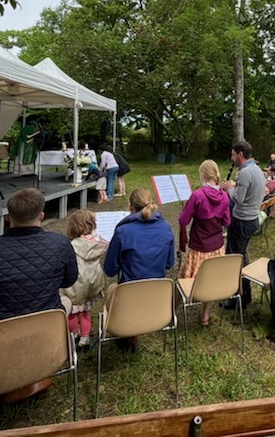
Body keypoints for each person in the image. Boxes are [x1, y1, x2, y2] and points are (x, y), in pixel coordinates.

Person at [0, 188, 78, 330]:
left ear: (7, 217)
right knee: (66, 301)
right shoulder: (60, 244)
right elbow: (69, 280)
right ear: (41, 216)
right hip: (45, 326)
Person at [104, 189, 175, 349]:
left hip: (130, 294)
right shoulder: (166, 228)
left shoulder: (123, 231)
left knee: (113, 288)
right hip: (157, 295)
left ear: (130, 207)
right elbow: (169, 263)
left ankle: (127, 331)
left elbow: (110, 269)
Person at [178, 161, 230, 327]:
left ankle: (171, 310)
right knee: (210, 279)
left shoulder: (197, 195)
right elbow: (227, 221)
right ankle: (205, 316)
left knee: (185, 277)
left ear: (202, 175)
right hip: (217, 245)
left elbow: (183, 220)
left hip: (199, 246)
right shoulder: (224, 196)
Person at [220, 140, 266, 309]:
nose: (232, 158)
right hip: (251, 218)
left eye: (233, 154)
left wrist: (228, 188)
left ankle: (241, 298)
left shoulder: (246, 172)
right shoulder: (257, 169)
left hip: (242, 220)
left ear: (240, 154)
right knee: (240, 255)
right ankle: (238, 294)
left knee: (236, 259)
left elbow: (238, 200)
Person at [61, 209, 109, 349]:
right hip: (92, 282)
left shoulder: (72, 245)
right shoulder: (97, 243)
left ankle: (74, 334)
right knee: (85, 312)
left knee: (72, 314)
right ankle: (85, 338)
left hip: (75, 284)